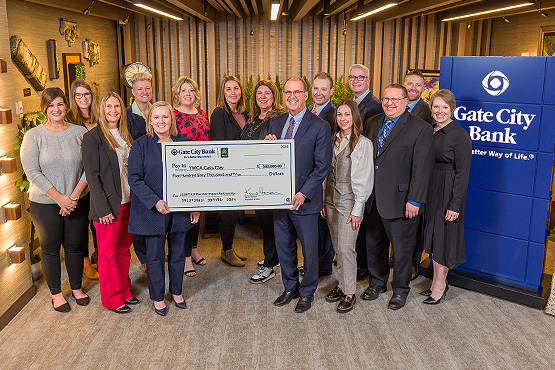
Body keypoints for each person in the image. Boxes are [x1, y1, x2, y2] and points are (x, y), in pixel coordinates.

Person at [362, 84, 433, 310]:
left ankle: (400, 289)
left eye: (395, 99)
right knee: (374, 244)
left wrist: (415, 200)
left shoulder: (420, 128)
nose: (389, 103)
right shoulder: (372, 122)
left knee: (402, 250)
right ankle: (377, 282)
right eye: (385, 99)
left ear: (405, 102)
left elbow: (422, 168)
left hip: (402, 201)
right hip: (373, 198)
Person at [266, 77, 332, 313]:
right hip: (279, 199)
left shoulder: (320, 125)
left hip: (305, 200)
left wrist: (303, 193)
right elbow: (268, 159)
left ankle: (307, 292)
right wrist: (267, 145)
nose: (292, 96)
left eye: (297, 92)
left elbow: (322, 166)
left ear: (306, 95)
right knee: (284, 246)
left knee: (309, 249)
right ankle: (290, 287)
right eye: (287, 92)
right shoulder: (275, 123)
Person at [20, 87, 90, 312]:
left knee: (75, 246)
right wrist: (60, 198)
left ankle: (77, 288)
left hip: (77, 199)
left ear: (66, 106)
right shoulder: (34, 136)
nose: (56, 109)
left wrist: (73, 196)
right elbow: (32, 172)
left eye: (60, 104)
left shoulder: (80, 133)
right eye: (51, 105)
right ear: (44, 109)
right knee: (50, 249)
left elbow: (89, 168)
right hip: (45, 203)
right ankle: (57, 294)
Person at [128, 101, 200, 316]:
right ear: (150, 121)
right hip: (152, 210)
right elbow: (135, 178)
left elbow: (193, 177)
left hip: (180, 210)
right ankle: (158, 297)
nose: (161, 121)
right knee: (155, 257)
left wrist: (195, 207)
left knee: (178, 253)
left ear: (172, 120)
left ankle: (177, 292)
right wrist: (155, 201)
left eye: (165, 117)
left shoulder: (183, 143)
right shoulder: (141, 145)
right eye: (156, 117)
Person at [82, 91, 139, 314]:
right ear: (101, 110)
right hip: (108, 206)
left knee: (124, 249)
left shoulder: (126, 134)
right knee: (107, 253)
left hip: (129, 202)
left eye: (117, 106)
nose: (113, 111)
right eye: (109, 107)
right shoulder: (93, 137)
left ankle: (124, 291)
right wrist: (102, 209)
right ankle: (111, 298)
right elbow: (92, 176)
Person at [420, 89, 472, 304]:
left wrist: (455, 204)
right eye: (436, 106)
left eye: (444, 107)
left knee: (444, 239)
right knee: (433, 236)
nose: (439, 111)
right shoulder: (431, 130)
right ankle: (435, 281)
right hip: (431, 188)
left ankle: (440, 285)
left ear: (452, 109)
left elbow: (463, 173)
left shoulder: (459, 135)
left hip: (448, 190)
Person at [322, 99, 373, 313]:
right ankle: (342, 284)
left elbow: (365, 178)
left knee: (346, 248)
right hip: (330, 201)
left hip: (349, 201)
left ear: (355, 117)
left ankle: (350, 292)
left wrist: (357, 209)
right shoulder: (332, 139)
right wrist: (323, 200)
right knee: (338, 248)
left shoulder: (362, 143)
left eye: (347, 115)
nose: (343, 119)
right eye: (339, 115)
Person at [240, 80, 284, 283]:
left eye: (267, 93)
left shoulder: (280, 119)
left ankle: (269, 265)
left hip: (270, 180)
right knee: (264, 222)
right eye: (259, 93)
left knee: (270, 221)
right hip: (253, 180)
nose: (263, 97)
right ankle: (273, 259)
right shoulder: (253, 120)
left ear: (274, 96)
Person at [347, 64, 383, 281]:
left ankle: (364, 266)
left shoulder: (375, 105)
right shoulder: (352, 103)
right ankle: (357, 260)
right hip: (348, 168)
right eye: (352, 77)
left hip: (363, 167)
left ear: (368, 80)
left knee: (364, 222)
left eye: (361, 77)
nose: (356, 80)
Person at [172, 76, 209, 277]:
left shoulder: (202, 113)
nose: (188, 94)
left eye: (191, 90)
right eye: (184, 90)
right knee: (186, 213)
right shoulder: (173, 115)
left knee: (198, 211)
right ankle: (185, 257)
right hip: (183, 171)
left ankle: (193, 249)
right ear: (177, 93)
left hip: (202, 170)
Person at [210, 75, 249, 267]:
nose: (233, 92)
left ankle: (229, 247)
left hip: (244, 170)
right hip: (228, 171)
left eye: (236, 88)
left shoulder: (245, 114)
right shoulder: (219, 114)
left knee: (236, 211)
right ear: (223, 93)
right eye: (228, 89)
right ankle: (226, 250)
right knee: (229, 212)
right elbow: (219, 146)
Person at [403, 69, 434, 281]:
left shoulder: (428, 112)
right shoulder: (395, 105)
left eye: (417, 85)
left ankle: (413, 264)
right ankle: (398, 257)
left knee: (414, 224)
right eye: (410, 84)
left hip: (415, 175)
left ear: (423, 89)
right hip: (396, 176)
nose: (413, 88)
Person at [67, 79, 99, 280]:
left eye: (86, 94)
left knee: (98, 220)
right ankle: (86, 262)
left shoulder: (99, 116)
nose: (83, 98)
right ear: (73, 97)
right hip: (80, 178)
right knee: (81, 222)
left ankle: (99, 253)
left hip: (98, 177)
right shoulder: (71, 120)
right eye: (78, 95)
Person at [308, 72, 336, 278]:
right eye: (316, 88)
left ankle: (323, 267)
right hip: (310, 175)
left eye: (323, 89)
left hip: (325, 175)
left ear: (331, 91)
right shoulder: (309, 111)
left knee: (324, 223)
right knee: (315, 226)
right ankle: (314, 263)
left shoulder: (334, 115)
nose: (319, 93)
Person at [126, 71, 153, 274]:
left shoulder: (157, 110)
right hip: (136, 168)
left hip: (154, 169)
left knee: (153, 210)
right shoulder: (127, 114)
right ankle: (143, 257)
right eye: (140, 89)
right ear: (133, 91)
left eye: (147, 88)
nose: (144, 92)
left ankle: (154, 252)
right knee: (139, 212)